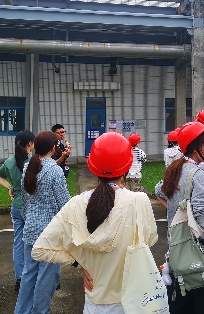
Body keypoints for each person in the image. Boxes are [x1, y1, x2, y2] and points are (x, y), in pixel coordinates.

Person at [32, 132, 159, 314]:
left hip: (95, 304)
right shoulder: (139, 201)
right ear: (128, 166)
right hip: (132, 300)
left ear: (93, 167)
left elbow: (39, 250)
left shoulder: (76, 204)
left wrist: (80, 261)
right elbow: (150, 240)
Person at [157, 121, 204, 314]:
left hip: (178, 253)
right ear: (196, 147)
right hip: (203, 256)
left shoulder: (174, 169)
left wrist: (175, 210)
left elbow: (158, 190)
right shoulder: (197, 174)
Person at [14, 131, 71, 314]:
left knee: (29, 274)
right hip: (49, 233)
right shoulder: (55, 170)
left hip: (30, 228)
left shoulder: (28, 168)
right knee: (47, 278)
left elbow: (24, 200)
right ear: (54, 148)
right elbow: (65, 204)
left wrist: (29, 218)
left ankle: (22, 311)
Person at [0, 130, 35, 292]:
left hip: (17, 206)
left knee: (18, 242)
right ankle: (32, 276)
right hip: (31, 206)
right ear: (30, 143)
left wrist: (10, 187)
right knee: (33, 242)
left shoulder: (10, 162)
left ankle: (19, 278)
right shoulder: (33, 162)